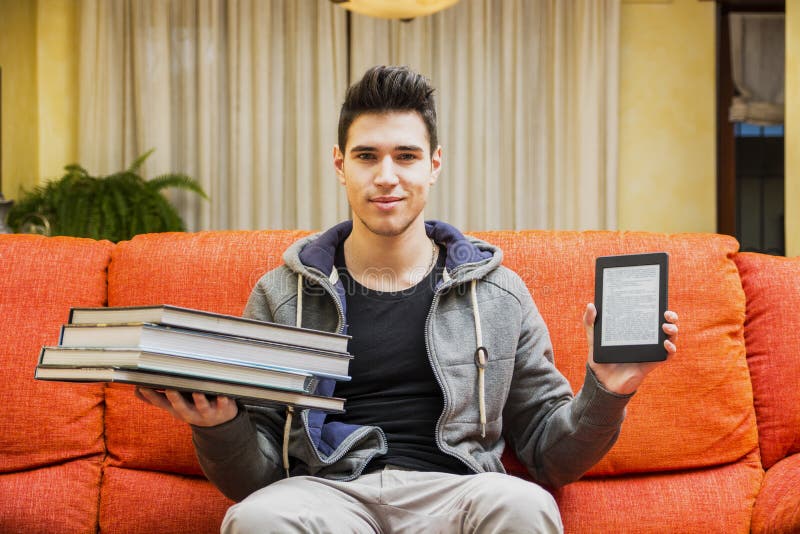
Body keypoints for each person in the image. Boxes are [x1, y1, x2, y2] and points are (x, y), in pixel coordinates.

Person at [137, 65, 678, 533]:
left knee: (525, 503)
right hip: (327, 494)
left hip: (459, 491)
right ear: (339, 164)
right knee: (257, 518)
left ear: (434, 164)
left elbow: (549, 454)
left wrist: (607, 390)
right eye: (367, 156)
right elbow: (253, 478)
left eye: (406, 156)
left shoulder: (499, 292)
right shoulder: (282, 293)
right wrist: (217, 424)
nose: (386, 177)